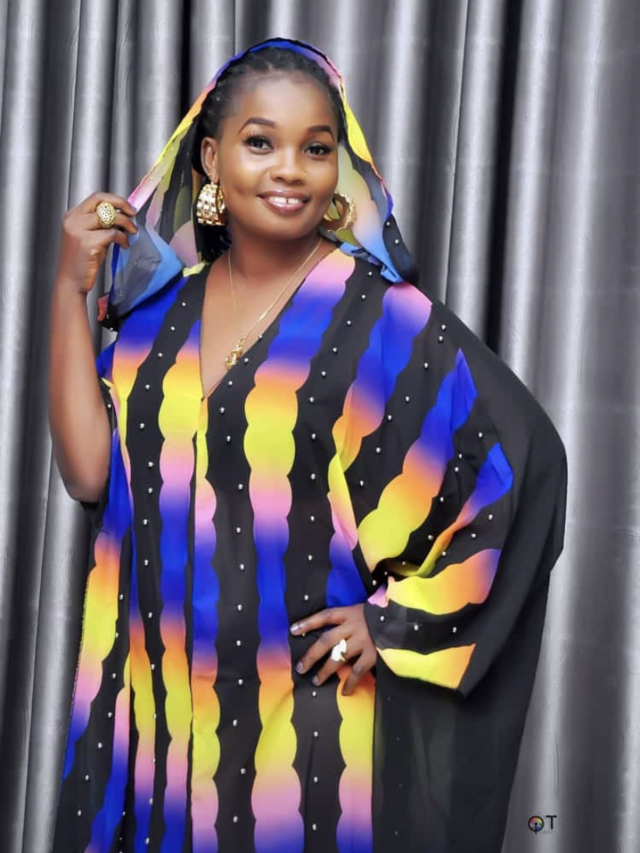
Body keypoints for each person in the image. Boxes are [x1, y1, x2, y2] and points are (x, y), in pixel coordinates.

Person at [49, 37, 567, 853]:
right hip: (150, 723)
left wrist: (388, 623)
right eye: (261, 143)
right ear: (212, 158)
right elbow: (89, 475)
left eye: (316, 148)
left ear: (339, 167)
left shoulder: (381, 318)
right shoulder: (158, 319)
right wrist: (65, 290)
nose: (290, 168)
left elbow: (516, 474)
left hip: (300, 743)